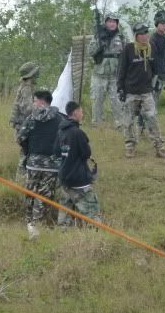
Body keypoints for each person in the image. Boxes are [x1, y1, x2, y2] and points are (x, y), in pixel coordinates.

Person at [117, 23, 165, 158]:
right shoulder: (128, 49)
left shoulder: (151, 48)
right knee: (128, 121)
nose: (144, 36)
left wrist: (159, 81)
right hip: (131, 91)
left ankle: (160, 147)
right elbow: (121, 70)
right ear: (136, 36)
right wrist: (120, 89)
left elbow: (156, 68)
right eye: (141, 34)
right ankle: (130, 147)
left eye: (146, 33)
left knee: (152, 117)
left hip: (146, 91)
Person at [17, 90, 62, 239]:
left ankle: (30, 223)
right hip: (52, 165)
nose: (34, 104)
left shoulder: (31, 118)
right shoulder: (60, 119)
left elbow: (21, 137)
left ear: (42, 102)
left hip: (33, 163)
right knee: (45, 195)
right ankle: (39, 224)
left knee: (30, 193)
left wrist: (28, 151)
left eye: (35, 101)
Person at [55, 101, 101, 228]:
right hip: (79, 180)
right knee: (92, 213)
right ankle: (96, 239)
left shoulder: (60, 131)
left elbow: (56, 152)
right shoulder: (78, 133)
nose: (82, 114)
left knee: (64, 217)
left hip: (65, 178)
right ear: (75, 112)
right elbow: (86, 153)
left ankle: (63, 237)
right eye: (81, 111)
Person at [88, 8, 126, 128]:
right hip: (99, 75)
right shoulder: (98, 36)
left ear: (117, 23)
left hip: (115, 75)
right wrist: (99, 44)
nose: (112, 23)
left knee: (117, 101)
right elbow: (90, 52)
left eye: (114, 21)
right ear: (105, 22)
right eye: (109, 21)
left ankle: (120, 124)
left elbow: (127, 55)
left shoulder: (121, 38)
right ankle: (97, 124)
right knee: (97, 100)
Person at [9, 61, 39, 183]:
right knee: (26, 153)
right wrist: (41, 110)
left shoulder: (25, 86)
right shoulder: (26, 88)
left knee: (25, 153)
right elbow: (28, 108)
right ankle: (21, 180)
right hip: (23, 126)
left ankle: (22, 180)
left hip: (21, 126)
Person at [150, 9, 165, 106]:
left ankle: (150, 118)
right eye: (162, 24)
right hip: (153, 75)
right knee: (150, 100)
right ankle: (142, 120)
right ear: (157, 24)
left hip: (161, 74)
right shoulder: (152, 39)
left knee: (156, 99)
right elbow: (152, 60)